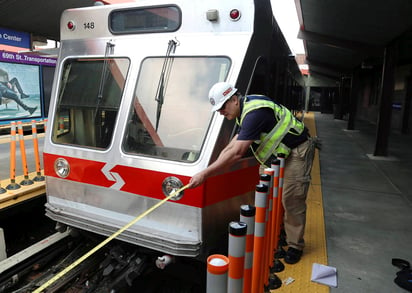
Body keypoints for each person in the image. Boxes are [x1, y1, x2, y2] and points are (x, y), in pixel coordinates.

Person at [188, 81, 317, 264]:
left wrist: (205, 175)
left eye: (222, 107)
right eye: (218, 110)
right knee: (267, 196)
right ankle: (278, 233)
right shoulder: (244, 111)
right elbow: (231, 146)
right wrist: (206, 169)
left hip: (297, 151)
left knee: (291, 198)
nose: (221, 112)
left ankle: (295, 245)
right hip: (278, 154)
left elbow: (237, 152)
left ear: (234, 99)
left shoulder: (254, 113)